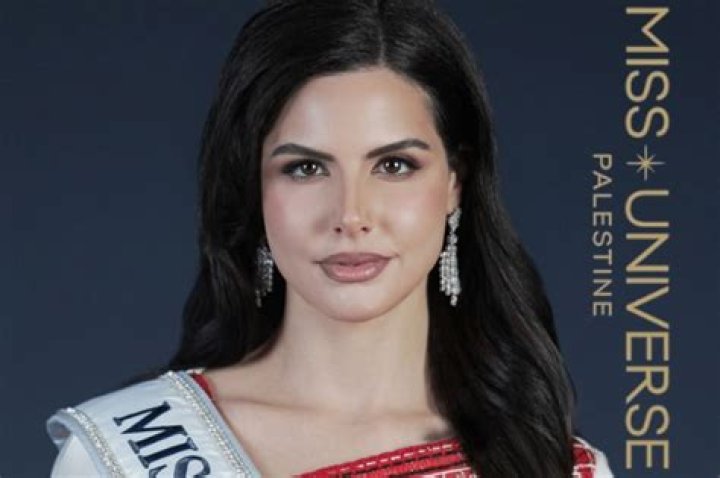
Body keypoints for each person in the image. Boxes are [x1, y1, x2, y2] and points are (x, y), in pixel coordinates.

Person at [47, 0, 614, 476]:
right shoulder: (114, 456)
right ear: (252, 189)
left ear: (454, 183)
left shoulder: (552, 466)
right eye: (306, 168)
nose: (351, 214)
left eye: (394, 165)